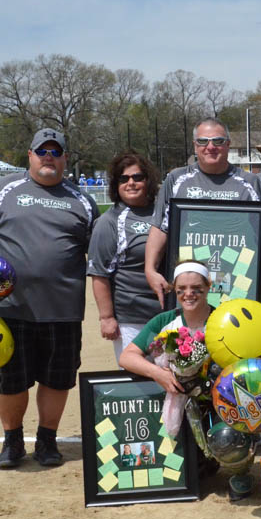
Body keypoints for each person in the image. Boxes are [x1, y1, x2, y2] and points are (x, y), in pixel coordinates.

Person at [0, 128, 99, 469]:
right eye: (43, 151)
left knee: (58, 377)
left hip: (63, 309)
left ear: (66, 157)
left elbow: (97, 256)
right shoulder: (1, 191)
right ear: (30, 154)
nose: (48, 157)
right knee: (10, 379)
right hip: (10, 307)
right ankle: (12, 442)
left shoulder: (82, 201)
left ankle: (47, 440)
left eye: (56, 151)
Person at [119, 261, 255, 500]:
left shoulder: (223, 320)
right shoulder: (164, 322)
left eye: (196, 288)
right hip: (181, 404)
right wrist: (158, 373)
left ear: (208, 287)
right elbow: (127, 356)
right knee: (187, 465)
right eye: (181, 289)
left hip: (220, 403)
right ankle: (205, 463)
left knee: (228, 439)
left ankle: (240, 472)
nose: (188, 294)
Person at [143, 117, 261, 304]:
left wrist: (256, 277)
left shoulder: (250, 183)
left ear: (228, 145)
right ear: (195, 146)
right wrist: (150, 269)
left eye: (218, 141)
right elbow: (160, 228)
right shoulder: (176, 179)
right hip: (189, 282)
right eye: (203, 141)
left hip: (237, 280)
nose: (210, 147)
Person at [87, 150, 163, 363]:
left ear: (148, 181)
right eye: (124, 178)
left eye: (138, 177)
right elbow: (99, 273)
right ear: (115, 184)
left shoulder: (164, 212)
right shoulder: (109, 222)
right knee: (138, 382)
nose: (131, 183)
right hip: (132, 318)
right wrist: (107, 317)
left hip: (169, 314)